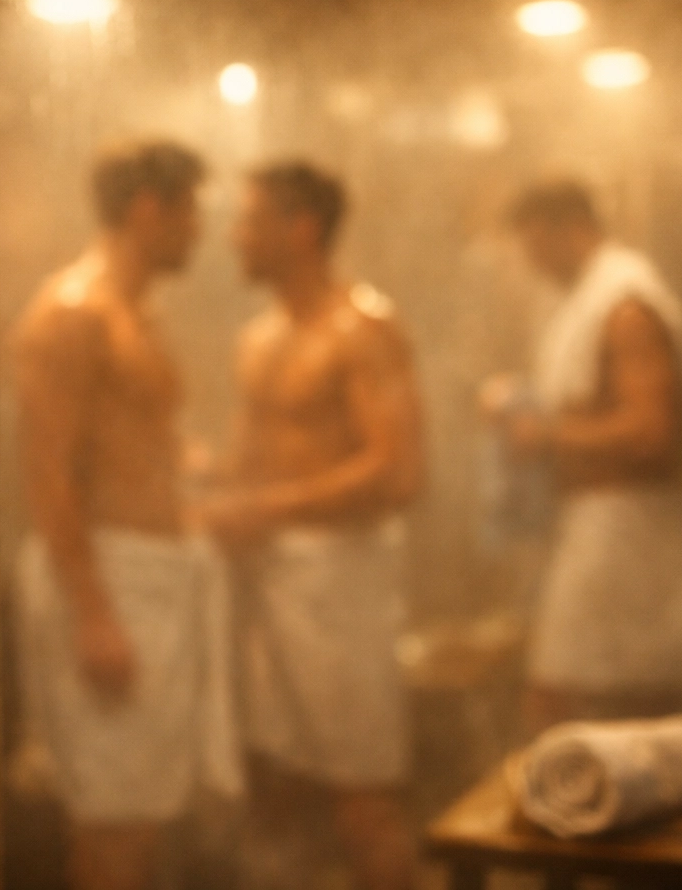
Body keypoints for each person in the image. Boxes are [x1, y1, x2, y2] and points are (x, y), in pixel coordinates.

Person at [11, 140, 242, 890]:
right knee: (113, 819)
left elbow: (132, 443)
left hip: (150, 579)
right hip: (107, 581)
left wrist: (193, 469)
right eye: (192, 213)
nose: (200, 233)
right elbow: (45, 472)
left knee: (141, 810)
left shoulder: (137, 312)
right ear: (149, 210)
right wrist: (94, 612)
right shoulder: (73, 314)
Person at [203, 162, 422, 890]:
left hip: (338, 580)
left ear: (301, 229)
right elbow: (249, 461)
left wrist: (262, 509)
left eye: (249, 220)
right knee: (274, 784)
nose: (234, 236)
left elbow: (396, 471)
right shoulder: (257, 339)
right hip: (265, 577)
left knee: (360, 793)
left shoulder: (362, 329)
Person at [484, 178, 682, 730]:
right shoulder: (583, 300)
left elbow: (653, 429)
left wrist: (547, 435)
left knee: (573, 699)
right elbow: (584, 404)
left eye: (534, 244)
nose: (531, 262)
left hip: (625, 531)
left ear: (570, 229)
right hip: (592, 525)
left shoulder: (626, 307)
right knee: (603, 698)